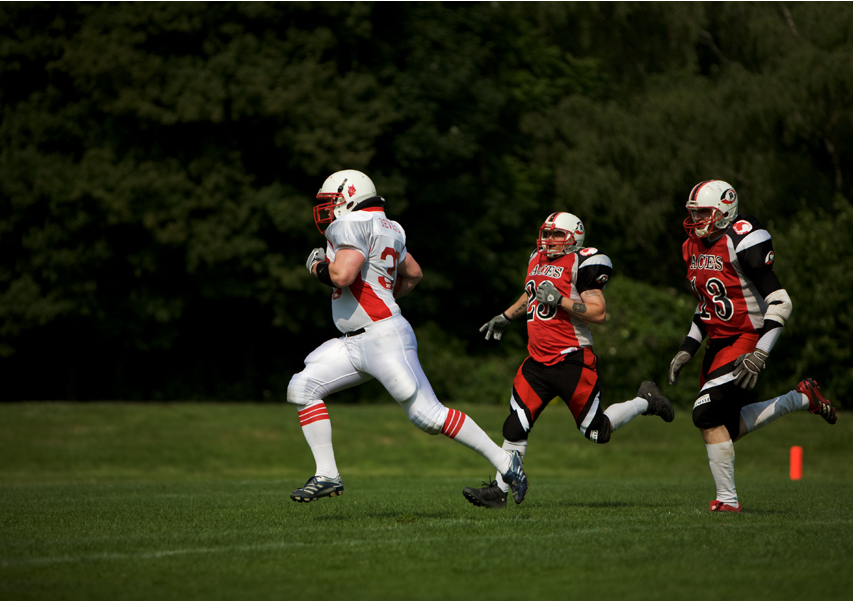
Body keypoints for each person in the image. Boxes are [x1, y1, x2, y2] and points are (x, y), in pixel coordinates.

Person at [287, 169, 528, 504]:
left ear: (349, 198)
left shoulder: (350, 224)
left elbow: (341, 275)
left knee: (428, 416)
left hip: (382, 338)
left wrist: (316, 266)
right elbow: (414, 274)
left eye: (332, 202)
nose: (328, 210)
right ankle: (327, 474)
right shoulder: (389, 226)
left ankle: (506, 462)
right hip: (357, 340)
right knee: (302, 387)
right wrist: (382, 297)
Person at [462, 212, 674, 509]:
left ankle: (644, 400)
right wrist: (506, 316)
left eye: (556, 235)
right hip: (537, 362)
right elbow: (531, 294)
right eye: (546, 234)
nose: (548, 240)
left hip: (572, 361)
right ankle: (498, 492)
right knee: (514, 427)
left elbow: (598, 312)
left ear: (574, 237)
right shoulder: (536, 258)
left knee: (596, 432)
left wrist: (560, 300)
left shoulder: (581, 263)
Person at [668, 180, 837, 513]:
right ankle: (801, 397)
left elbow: (781, 302)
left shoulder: (742, 240)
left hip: (745, 338)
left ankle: (727, 502)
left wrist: (760, 351)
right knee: (723, 427)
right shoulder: (692, 247)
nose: (696, 220)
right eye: (694, 213)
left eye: (704, 212)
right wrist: (688, 347)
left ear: (725, 211)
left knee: (705, 413)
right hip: (716, 343)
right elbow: (707, 307)